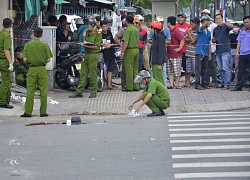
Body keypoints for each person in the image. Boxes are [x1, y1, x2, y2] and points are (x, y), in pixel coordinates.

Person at [21, 27, 53, 117]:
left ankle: (28, 112)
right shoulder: (45, 45)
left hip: (31, 69)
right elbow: (48, 59)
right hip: (42, 69)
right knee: (43, 91)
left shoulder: (28, 45)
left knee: (30, 90)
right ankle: (43, 112)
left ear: (33, 34)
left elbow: (24, 59)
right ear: (42, 35)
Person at [69, 17, 102, 98]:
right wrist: (84, 41)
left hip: (93, 55)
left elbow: (97, 46)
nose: (87, 26)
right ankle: (79, 91)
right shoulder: (87, 32)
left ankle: (93, 91)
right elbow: (85, 41)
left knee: (92, 74)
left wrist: (86, 45)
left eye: (88, 25)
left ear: (92, 25)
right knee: (83, 74)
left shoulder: (98, 33)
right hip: (86, 54)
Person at [213, 14, 234, 90]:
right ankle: (222, 82)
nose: (217, 20)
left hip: (226, 50)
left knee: (226, 68)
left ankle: (227, 83)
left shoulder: (225, 27)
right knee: (220, 68)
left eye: (219, 18)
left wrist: (224, 23)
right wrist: (213, 40)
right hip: (218, 50)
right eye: (216, 19)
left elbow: (232, 27)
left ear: (222, 19)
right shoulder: (215, 29)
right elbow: (214, 38)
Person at [231, 16, 250, 91]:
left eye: (247, 22)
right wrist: (237, 52)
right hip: (242, 54)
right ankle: (238, 86)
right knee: (240, 70)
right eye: (244, 22)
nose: (246, 24)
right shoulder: (242, 31)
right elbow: (239, 42)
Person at [121, 15, 140, 92]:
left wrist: (122, 51)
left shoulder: (128, 30)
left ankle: (129, 87)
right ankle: (136, 86)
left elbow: (125, 42)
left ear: (126, 21)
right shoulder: (136, 29)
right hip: (136, 49)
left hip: (129, 50)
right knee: (135, 69)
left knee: (128, 69)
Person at [166, 16, 185, 89]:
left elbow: (182, 39)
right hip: (169, 53)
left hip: (176, 54)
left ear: (169, 23)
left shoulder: (176, 30)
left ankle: (177, 84)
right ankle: (171, 83)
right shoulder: (168, 31)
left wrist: (179, 48)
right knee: (170, 70)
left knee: (177, 70)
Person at [201, 9, 218, 88]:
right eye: (203, 14)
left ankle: (215, 81)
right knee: (205, 66)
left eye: (206, 14)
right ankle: (206, 82)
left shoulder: (213, 25)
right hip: (203, 49)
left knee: (212, 65)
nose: (204, 15)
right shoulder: (201, 25)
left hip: (212, 48)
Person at [195, 16, 212, 90]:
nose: (208, 23)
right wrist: (205, 23)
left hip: (205, 52)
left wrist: (210, 53)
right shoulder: (199, 29)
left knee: (205, 69)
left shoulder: (209, 32)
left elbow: (209, 43)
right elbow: (202, 27)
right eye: (206, 21)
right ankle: (197, 83)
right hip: (199, 52)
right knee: (198, 68)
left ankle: (204, 83)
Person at [0, 18, 13, 109]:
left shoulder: (1, 33)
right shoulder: (6, 36)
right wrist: (10, 63)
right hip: (4, 60)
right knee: (6, 82)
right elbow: (6, 50)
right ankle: (3, 101)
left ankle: (4, 99)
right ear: (11, 25)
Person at [183, 18, 200, 88]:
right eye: (192, 22)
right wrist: (190, 37)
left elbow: (193, 41)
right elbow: (185, 39)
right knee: (188, 69)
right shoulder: (189, 30)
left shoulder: (198, 31)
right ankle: (187, 82)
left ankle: (197, 82)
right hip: (188, 52)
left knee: (195, 69)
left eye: (194, 23)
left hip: (194, 53)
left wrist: (189, 34)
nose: (192, 24)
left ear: (198, 24)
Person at [101, 20, 116, 90]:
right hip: (103, 54)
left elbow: (113, 42)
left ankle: (109, 84)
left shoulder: (109, 33)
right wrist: (103, 45)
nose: (105, 28)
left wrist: (110, 45)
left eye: (106, 26)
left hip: (111, 53)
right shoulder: (99, 34)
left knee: (110, 70)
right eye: (103, 26)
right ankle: (103, 84)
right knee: (104, 70)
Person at [176, 13, 192, 81]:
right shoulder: (175, 25)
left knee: (186, 66)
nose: (180, 19)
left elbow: (192, 37)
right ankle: (176, 81)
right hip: (176, 49)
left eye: (182, 17)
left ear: (185, 19)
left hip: (186, 49)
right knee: (176, 66)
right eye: (179, 17)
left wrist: (185, 39)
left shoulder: (188, 26)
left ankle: (187, 81)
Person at [114, 15, 127, 90]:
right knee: (124, 68)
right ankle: (124, 84)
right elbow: (115, 38)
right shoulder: (122, 30)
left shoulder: (134, 29)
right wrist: (121, 45)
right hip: (124, 51)